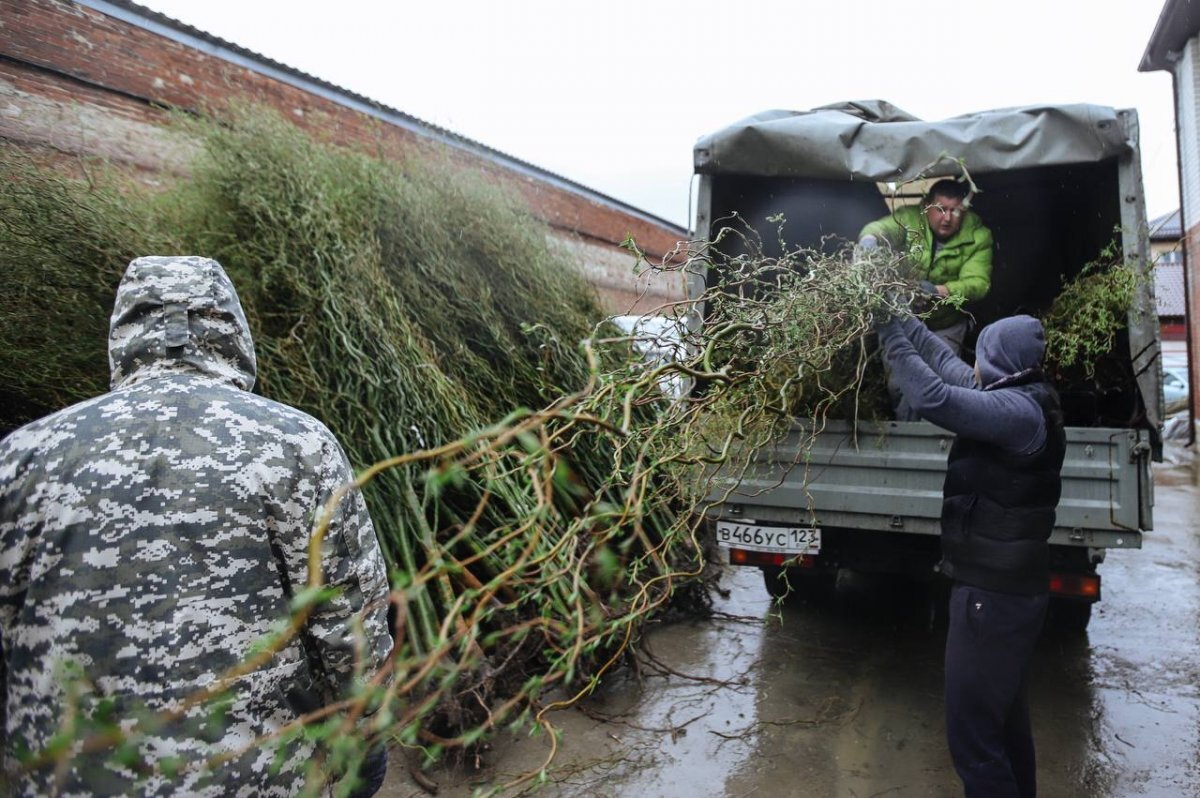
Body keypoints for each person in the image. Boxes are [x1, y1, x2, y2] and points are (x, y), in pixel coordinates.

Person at [0, 256, 393, 796]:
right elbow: (351, 623)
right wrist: (364, 746)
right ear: (230, 328)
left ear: (124, 332)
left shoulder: (21, 457)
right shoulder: (297, 446)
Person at [875, 312, 1065, 798]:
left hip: (993, 595)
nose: (973, 362)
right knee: (1004, 727)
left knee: (973, 740)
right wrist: (895, 312)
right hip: (1008, 590)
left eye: (982, 352)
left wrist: (888, 336)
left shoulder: (1018, 413)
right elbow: (943, 360)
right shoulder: (1017, 394)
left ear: (999, 359)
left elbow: (931, 397)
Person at [860, 179, 995, 419]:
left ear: (964, 210)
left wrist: (938, 291)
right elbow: (883, 228)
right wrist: (870, 240)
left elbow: (978, 283)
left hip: (945, 325)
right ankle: (909, 435)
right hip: (905, 320)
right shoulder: (911, 219)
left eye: (955, 210)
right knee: (900, 384)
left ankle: (936, 440)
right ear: (927, 205)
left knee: (942, 383)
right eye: (941, 209)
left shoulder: (978, 236)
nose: (947, 218)